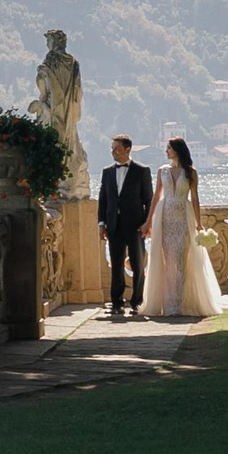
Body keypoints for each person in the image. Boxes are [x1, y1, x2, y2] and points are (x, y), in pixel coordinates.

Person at [144, 136, 228, 318]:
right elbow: (155, 197)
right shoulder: (162, 171)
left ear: (177, 150)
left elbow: (195, 198)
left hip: (183, 216)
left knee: (181, 260)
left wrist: (198, 223)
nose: (166, 151)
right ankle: (169, 303)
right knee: (167, 261)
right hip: (165, 217)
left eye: (168, 148)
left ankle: (180, 303)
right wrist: (149, 221)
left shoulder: (190, 172)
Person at [96, 135, 152, 318]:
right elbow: (103, 200)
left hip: (135, 226)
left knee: (137, 264)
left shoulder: (142, 170)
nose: (113, 151)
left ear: (127, 149)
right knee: (116, 264)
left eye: (117, 148)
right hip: (114, 225)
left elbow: (148, 200)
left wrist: (146, 223)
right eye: (112, 148)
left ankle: (137, 302)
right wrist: (101, 223)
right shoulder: (107, 172)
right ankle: (116, 302)